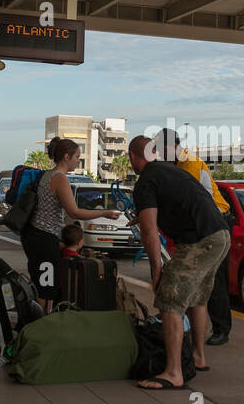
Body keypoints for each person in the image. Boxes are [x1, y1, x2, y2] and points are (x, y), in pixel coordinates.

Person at [127, 134, 229, 389]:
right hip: (221, 234)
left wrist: (156, 271)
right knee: (197, 297)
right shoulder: (170, 171)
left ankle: (173, 372)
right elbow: (180, 202)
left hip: (200, 239)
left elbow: (150, 234)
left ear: (133, 157)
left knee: (169, 298)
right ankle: (198, 356)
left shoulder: (146, 181)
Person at [155, 127, 234, 347]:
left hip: (216, 220)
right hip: (204, 221)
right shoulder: (177, 163)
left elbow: (187, 200)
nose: (159, 156)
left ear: (169, 147)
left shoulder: (188, 164)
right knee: (199, 280)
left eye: (160, 150)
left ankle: (221, 329)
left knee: (214, 278)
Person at [21, 137, 119, 312]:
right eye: (77, 157)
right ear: (66, 157)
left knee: (41, 285)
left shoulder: (47, 174)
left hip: (35, 236)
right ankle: (37, 329)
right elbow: (74, 212)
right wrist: (104, 212)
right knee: (46, 289)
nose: (78, 161)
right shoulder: (60, 178)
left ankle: (34, 325)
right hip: (44, 240)